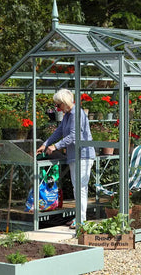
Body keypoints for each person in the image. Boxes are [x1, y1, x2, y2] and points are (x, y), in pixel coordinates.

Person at [36, 89, 95, 229]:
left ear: (65, 103)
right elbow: (59, 131)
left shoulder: (77, 114)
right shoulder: (68, 115)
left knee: (80, 188)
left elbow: (74, 136)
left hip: (84, 155)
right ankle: (79, 218)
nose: (57, 108)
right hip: (75, 156)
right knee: (77, 188)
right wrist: (45, 144)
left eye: (58, 105)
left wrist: (55, 146)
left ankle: (81, 221)